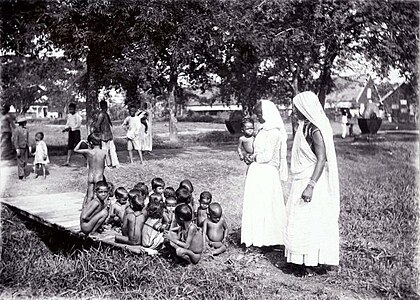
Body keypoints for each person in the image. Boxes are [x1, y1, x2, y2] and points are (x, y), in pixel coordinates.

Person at [284, 91, 340, 277]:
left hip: (311, 180)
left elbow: (321, 159)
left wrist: (311, 185)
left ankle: (310, 262)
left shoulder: (315, 129)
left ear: (304, 108)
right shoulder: (303, 126)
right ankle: (297, 260)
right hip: (301, 179)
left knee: (310, 221)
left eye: (296, 108)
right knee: (298, 219)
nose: (293, 111)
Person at [241, 99, 288, 247]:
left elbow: (267, 156)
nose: (258, 117)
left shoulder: (274, 132)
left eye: (260, 114)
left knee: (267, 205)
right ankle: (257, 237)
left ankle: (270, 240)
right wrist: (250, 157)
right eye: (257, 114)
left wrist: (253, 157)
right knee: (257, 205)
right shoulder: (262, 130)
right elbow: (257, 150)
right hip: (258, 170)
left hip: (266, 172)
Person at [74, 132, 107, 207]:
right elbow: (104, 165)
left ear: (91, 142)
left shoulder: (88, 152)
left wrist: (81, 141)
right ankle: (99, 209)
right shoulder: (103, 153)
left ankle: (86, 209)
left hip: (91, 176)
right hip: (99, 177)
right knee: (100, 196)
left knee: (89, 196)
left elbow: (75, 150)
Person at [93, 100, 119, 168]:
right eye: (105, 106)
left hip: (109, 135)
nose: (106, 107)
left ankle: (115, 164)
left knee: (112, 150)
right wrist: (99, 134)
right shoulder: (101, 115)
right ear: (102, 106)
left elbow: (110, 124)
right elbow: (97, 125)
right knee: (105, 150)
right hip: (104, 135)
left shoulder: (105, 114)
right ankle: (105, 165)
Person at [13, 116, 29, 180]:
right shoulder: (16, 130)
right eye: (24, 122)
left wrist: (29, 146)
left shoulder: (26, 130)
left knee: (25, 160)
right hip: (20, 148)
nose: (25, 123)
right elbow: (15, 140)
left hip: (25, 147)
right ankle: (21, 175)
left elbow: (28, 139)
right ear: (21, 123)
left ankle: (23, 172)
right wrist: (17, 148)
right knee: (20, 161)